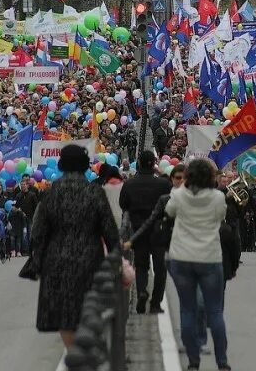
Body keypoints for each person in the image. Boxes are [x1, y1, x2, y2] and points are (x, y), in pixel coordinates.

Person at [30, 144, 119, 349]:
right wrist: (117, 259)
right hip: (89, 258)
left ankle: (73, 352)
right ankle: (89, 350)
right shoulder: (94, 192)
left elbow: (38, 231)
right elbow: (109, 230)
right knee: (88, 307)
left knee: (65, 314)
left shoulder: (52, 193)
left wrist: (38, 260)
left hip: (56, 260)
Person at [165, 158, 230, 371]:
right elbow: (221, 217)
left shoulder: (178, 195)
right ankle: (222, 361)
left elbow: (169, 212)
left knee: (187, 310)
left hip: (182, 256)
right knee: (214, 312)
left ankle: (193, 361)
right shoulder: (218, 198)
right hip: (209, 256)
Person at [119, 150, 172, 314]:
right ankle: (155, 303)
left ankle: (142, 291)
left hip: (138, 229)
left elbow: (123, 204)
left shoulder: (129, 184)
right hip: (158, 229)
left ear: (139, 163)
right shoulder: (163, 184)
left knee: (141, 265)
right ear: (154, 163)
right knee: (160, 268)